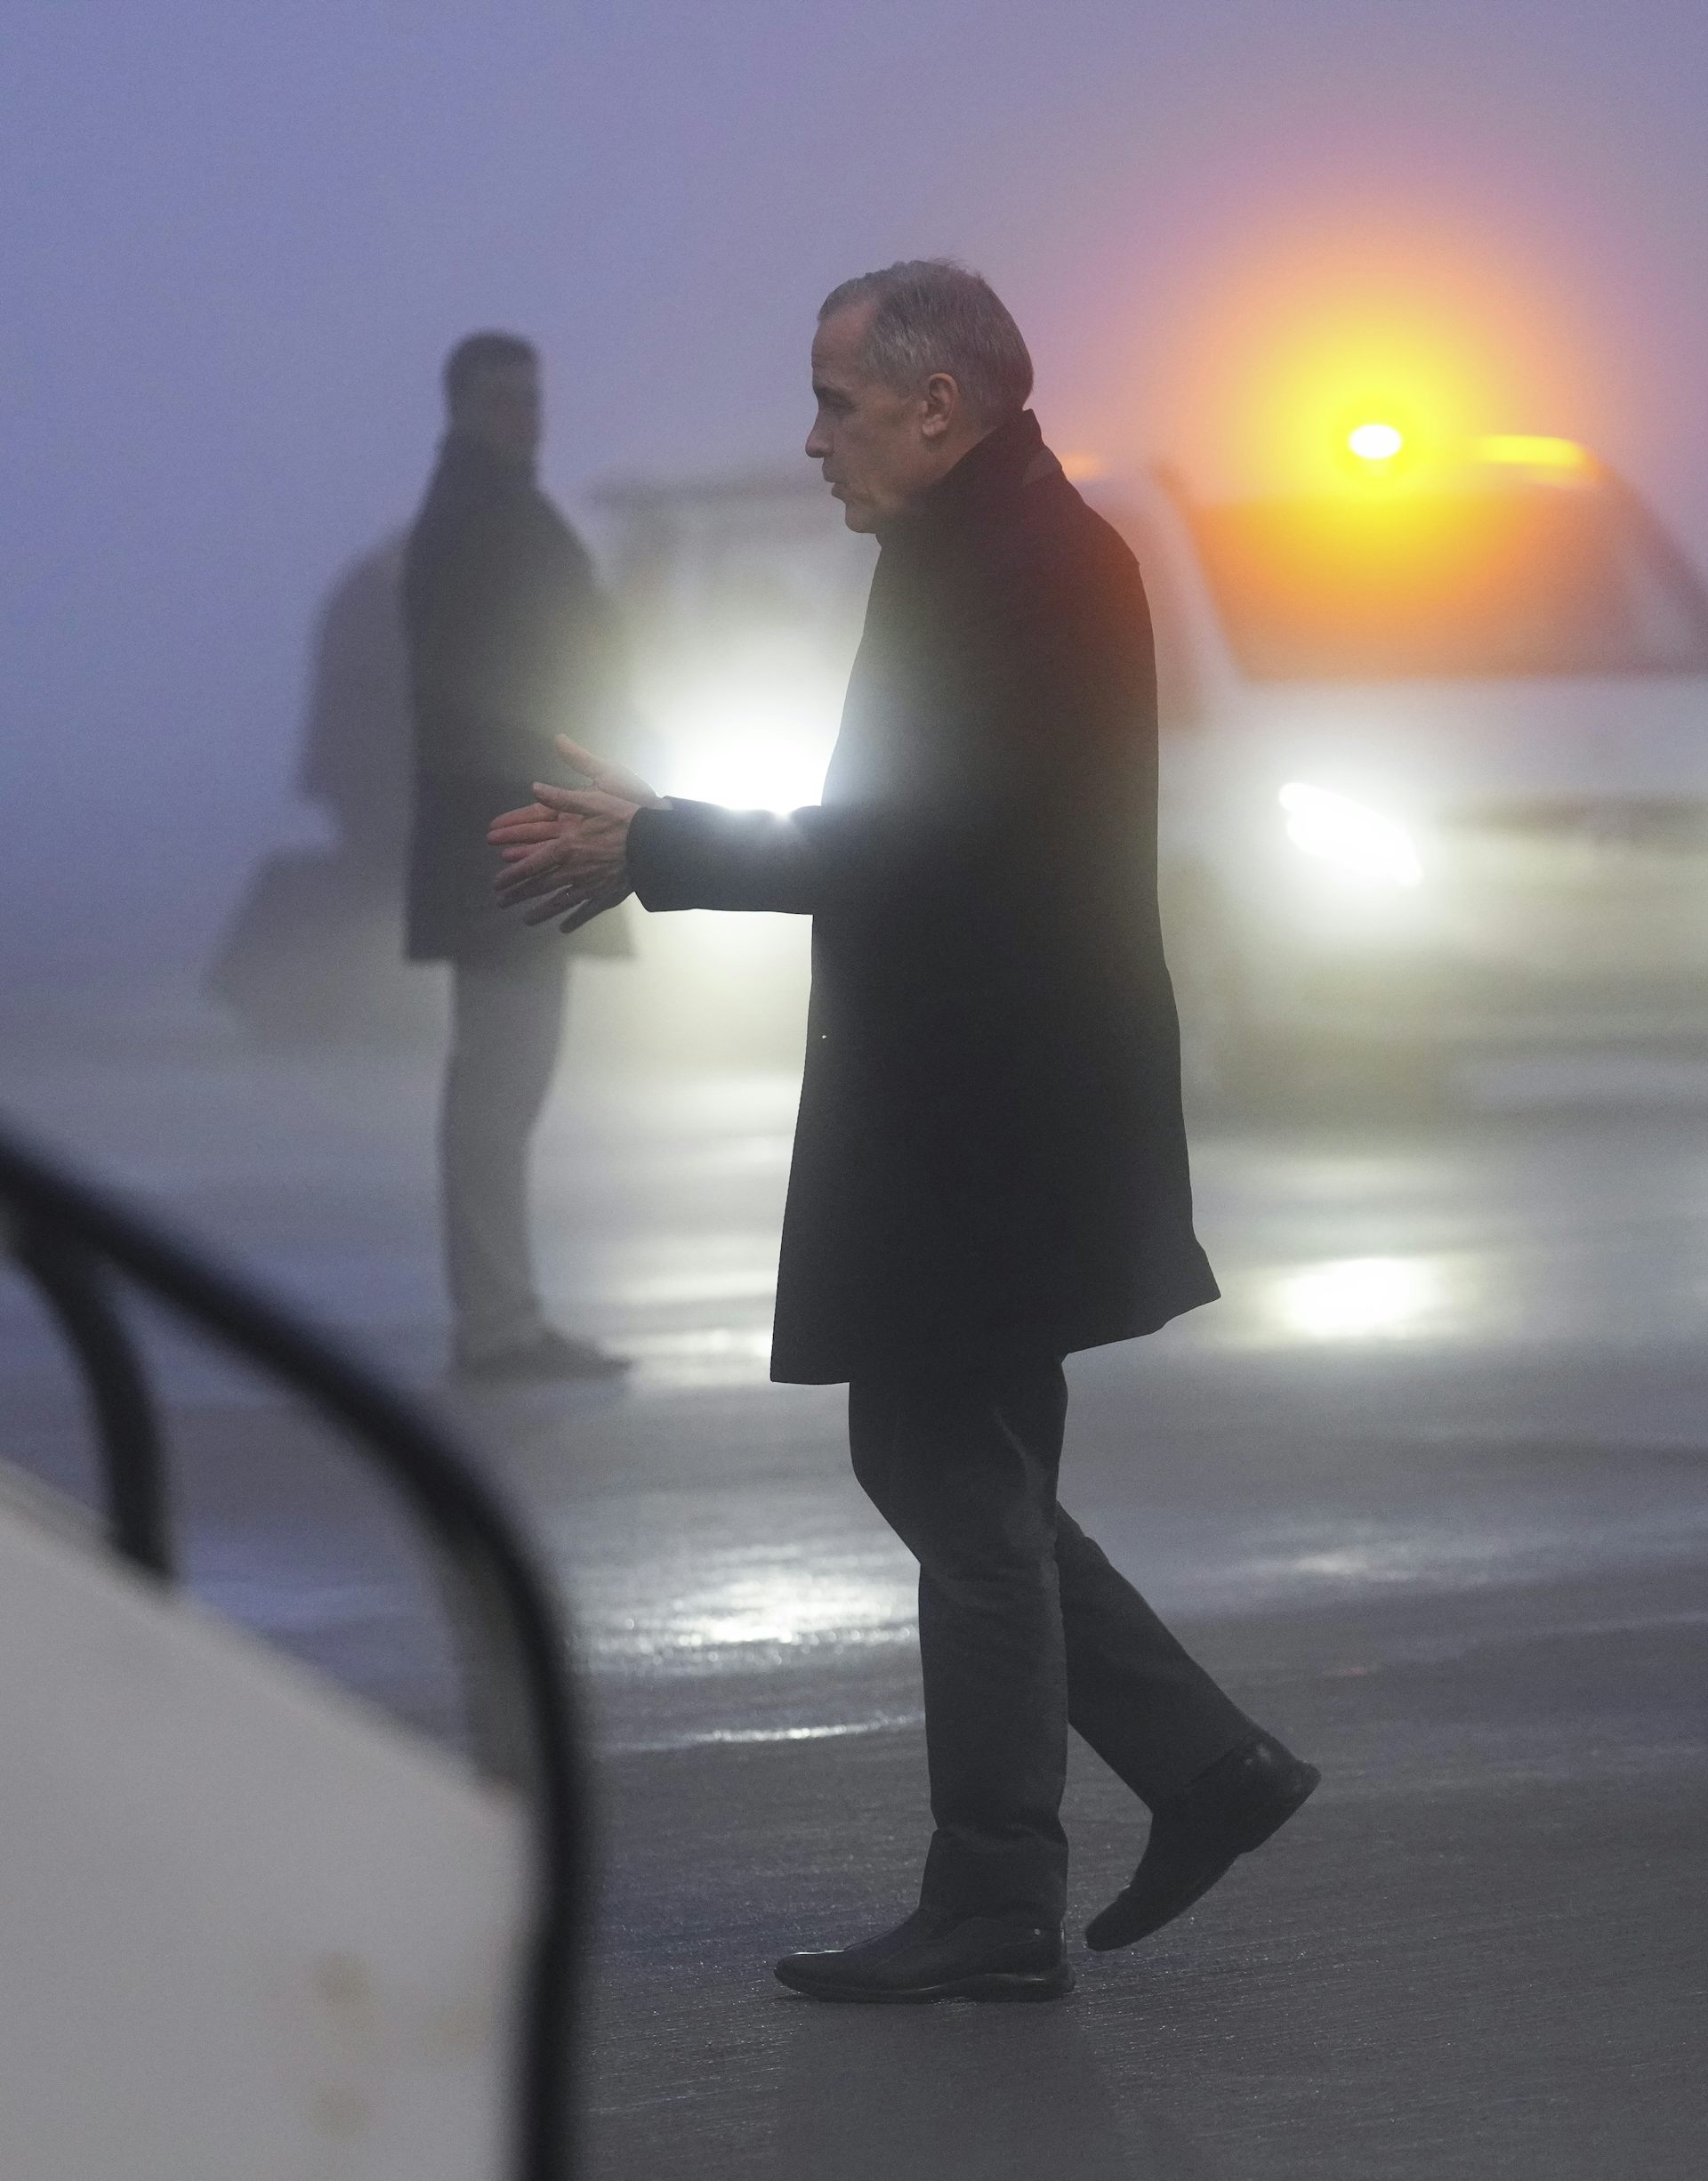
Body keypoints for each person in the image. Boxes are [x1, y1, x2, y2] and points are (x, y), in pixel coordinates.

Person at [487, 263, 1318, 1998]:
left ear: (941, 407)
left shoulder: (1021, 574)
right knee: (964, 1472)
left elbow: (909, 843)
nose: (814, 440)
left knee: (955, 1481)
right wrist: (661, 835)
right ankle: (1197, 1771)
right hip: (997, 1104)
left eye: (839, 403)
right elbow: (919, 833)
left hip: (991, 1118)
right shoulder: (997, 556)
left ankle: (1009, 1891)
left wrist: (656, 844)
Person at [403, 331, 631, 1381]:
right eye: (502, 397)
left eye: (531, 396)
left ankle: (500, 1316)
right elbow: (490, 693)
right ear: (460, 406)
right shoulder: (477, 522)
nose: (525, 414)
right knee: (499, 1090)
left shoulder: (483, 516)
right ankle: (497, 1324)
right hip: (510, 837)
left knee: (500, 1089)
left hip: (511, 833)